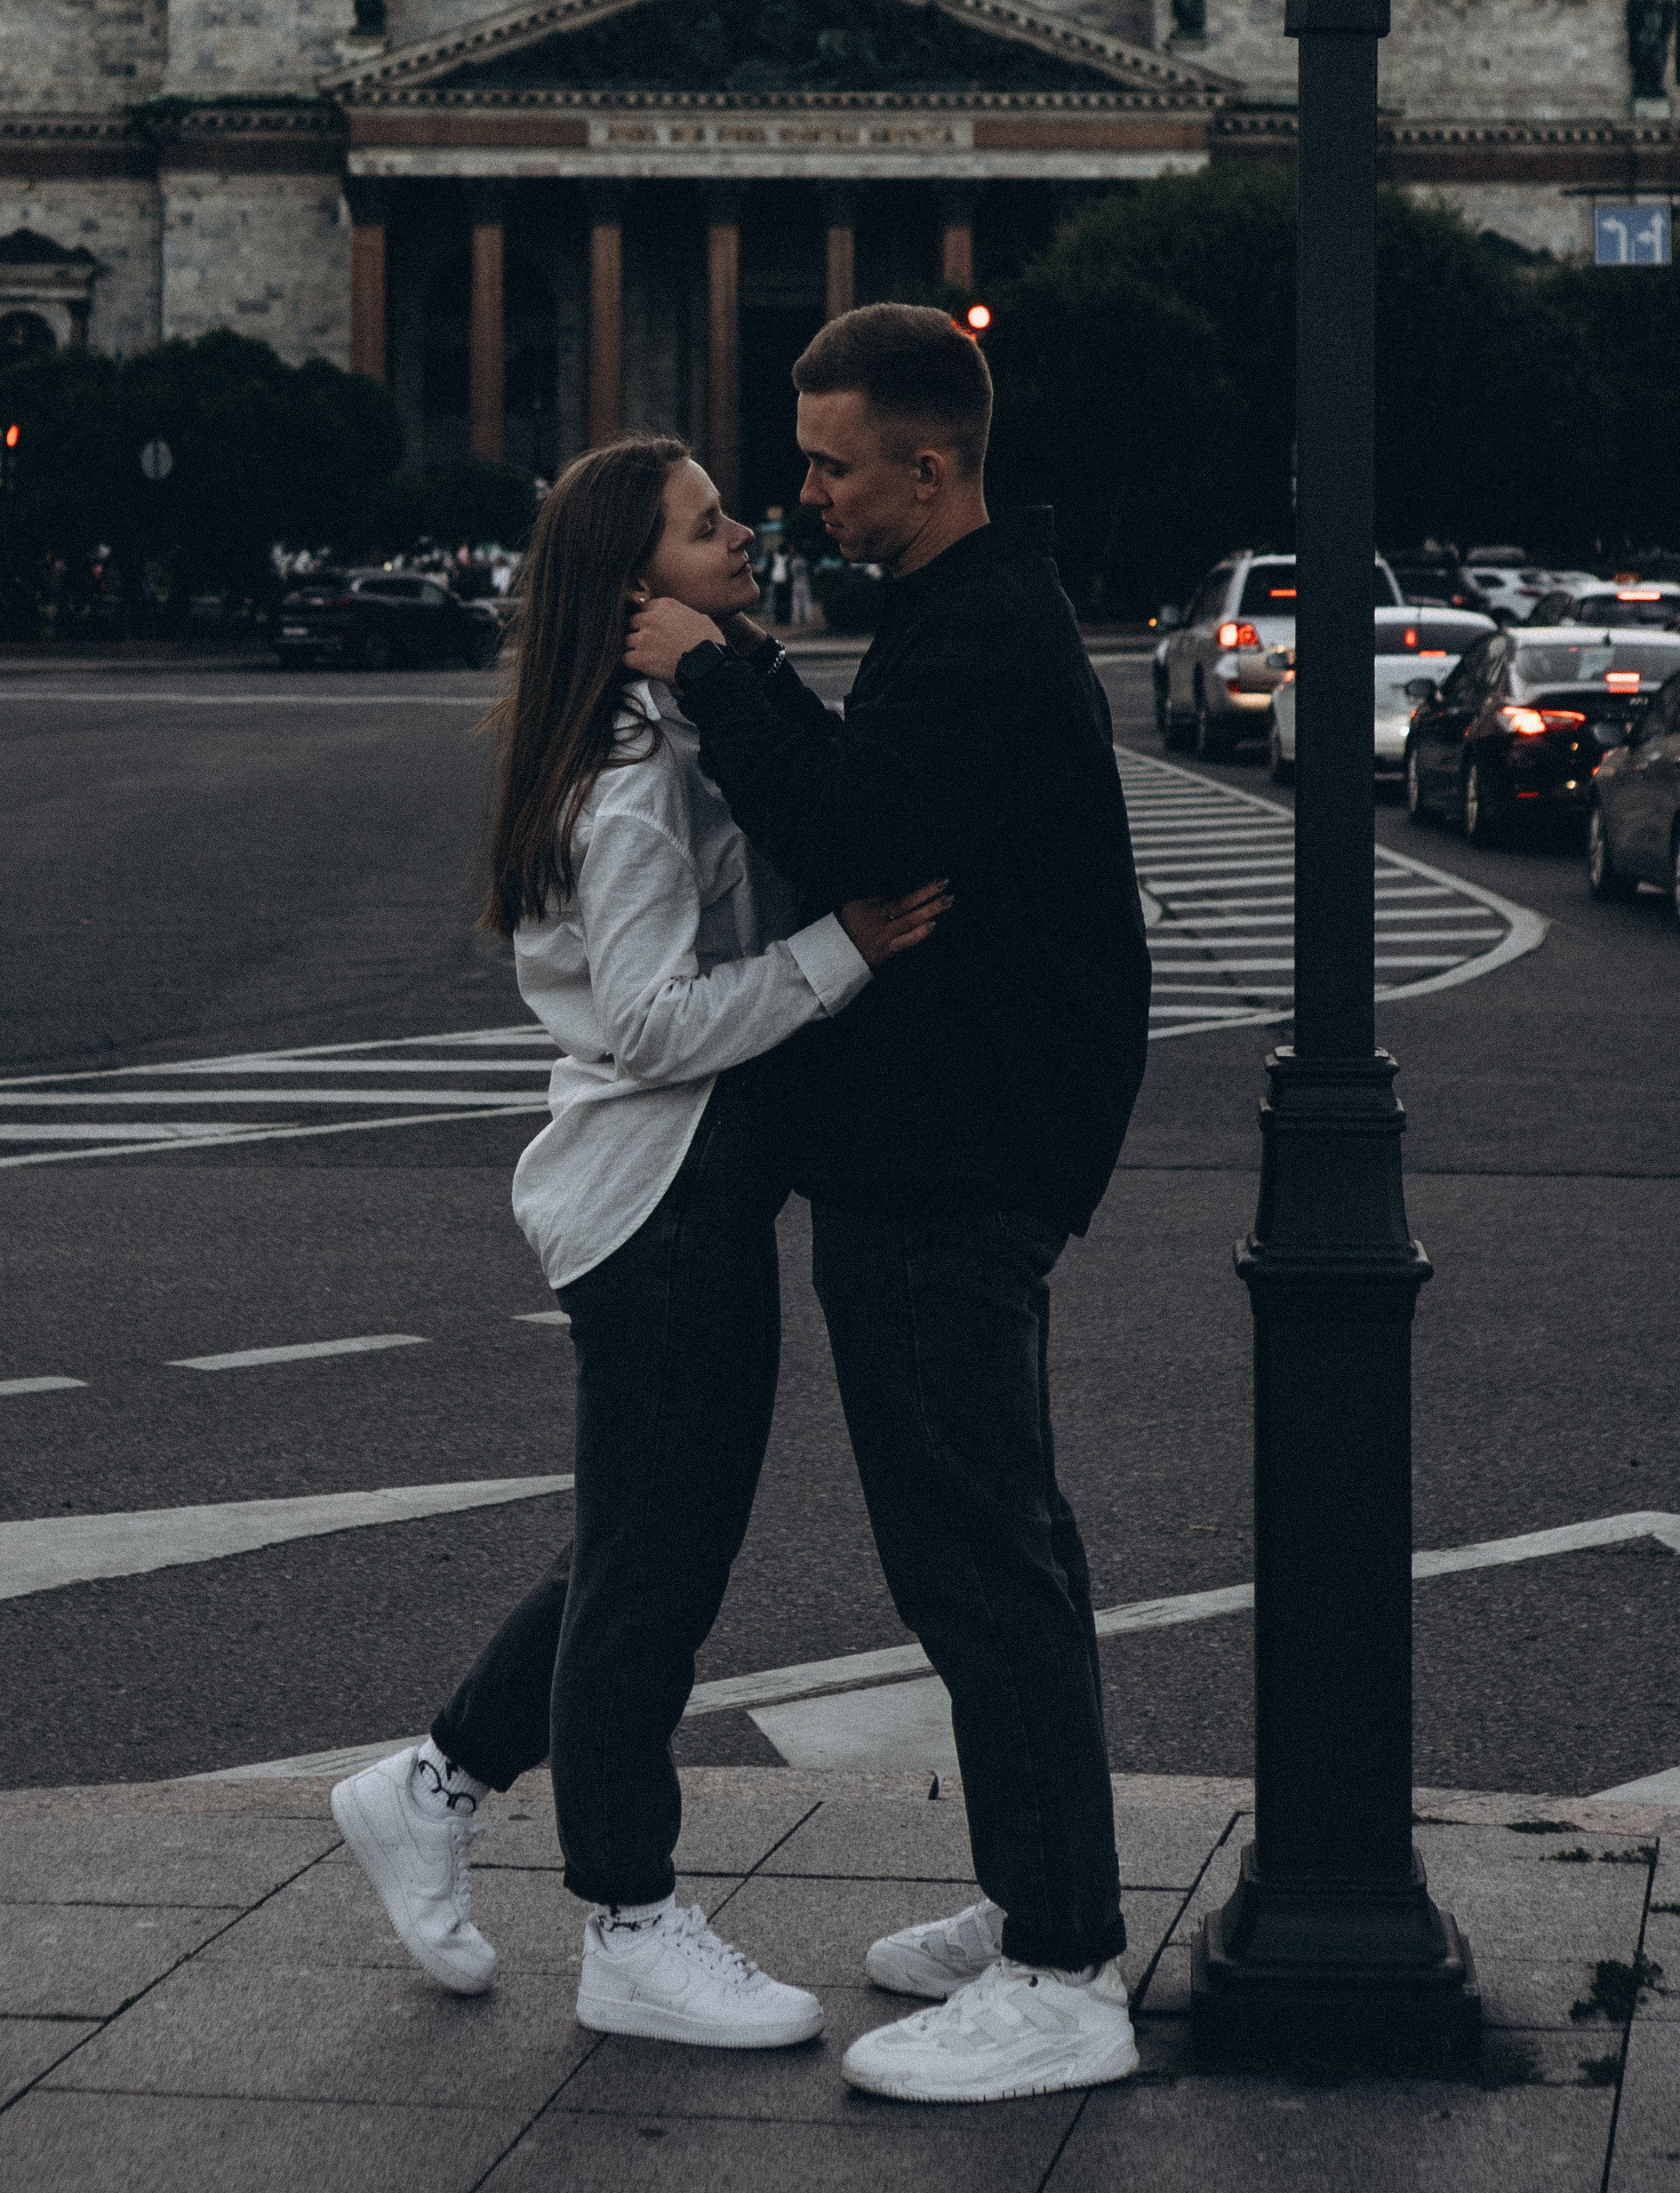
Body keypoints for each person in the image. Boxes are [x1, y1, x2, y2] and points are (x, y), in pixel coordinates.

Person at [333, 433, 945, 2050]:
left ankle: (435, 1784)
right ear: (632, 584)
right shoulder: (635, 782)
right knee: (653, 1580)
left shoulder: (661, 728)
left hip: (676, 1194)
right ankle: (627, 1918)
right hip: (660, 1198)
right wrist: (843, 953)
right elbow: (659, 1022)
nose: (742, 530)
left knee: (639, 1548)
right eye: (703, 525)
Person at [626, 304, 1151, 2106]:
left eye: (833, 466)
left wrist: (715, 673)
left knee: (976, 1568)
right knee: (1001, 1553)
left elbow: (860, 831)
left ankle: (1063, 1973)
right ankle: (1035, 1900)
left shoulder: (982, 633)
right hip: (958, 1147)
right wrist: (762, 676)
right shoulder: (969, 606)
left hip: (949, 1163)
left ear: (926, 470)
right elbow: (883, 794)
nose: (808, 495)